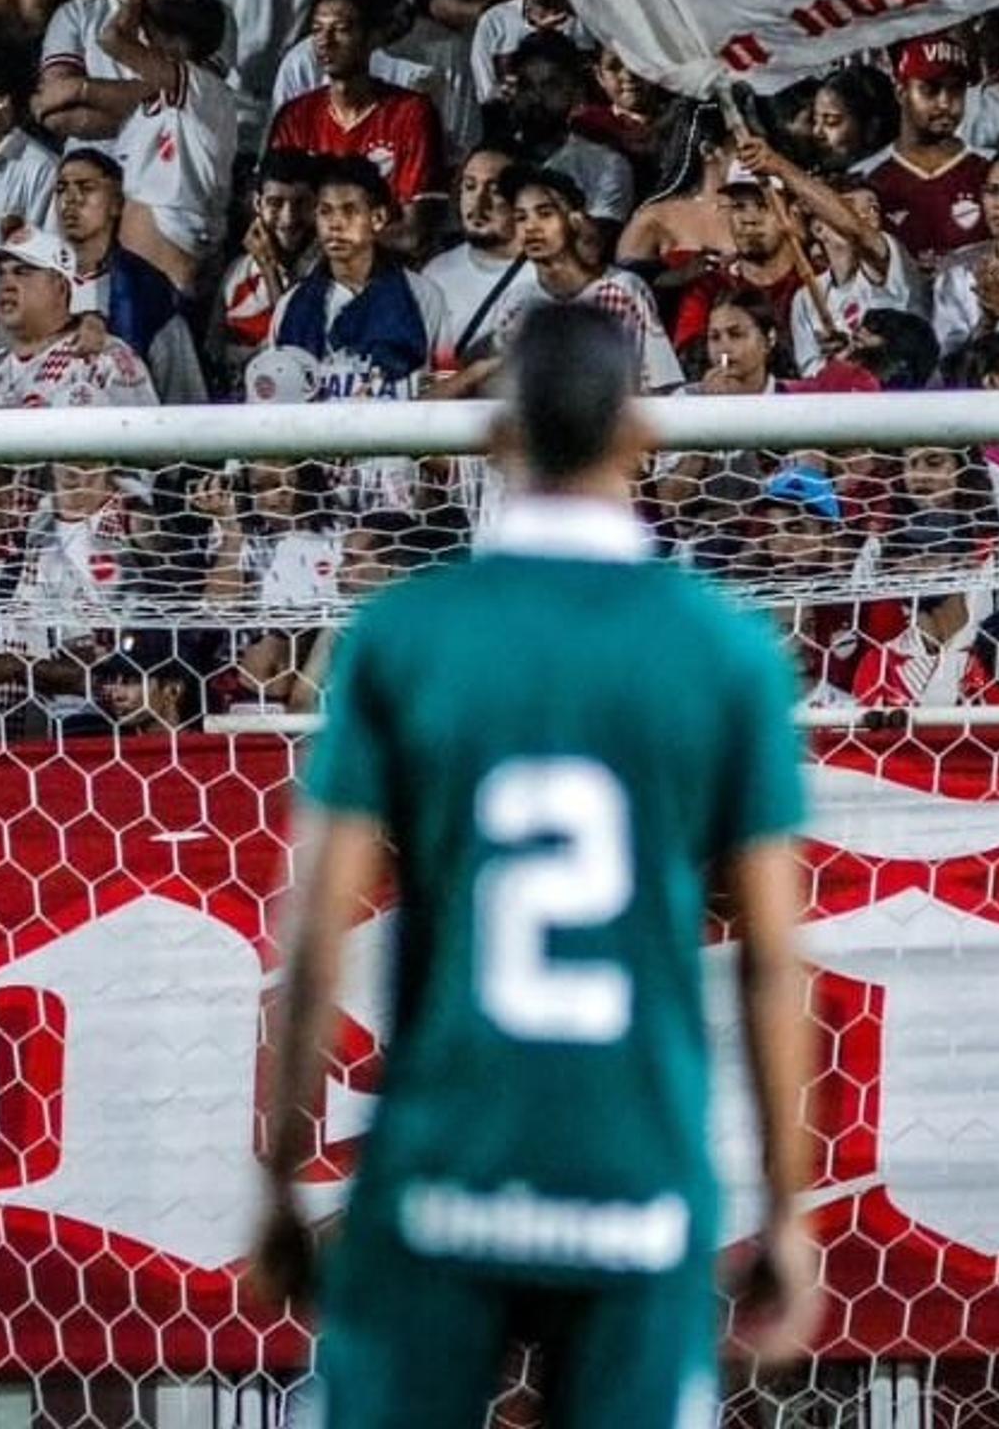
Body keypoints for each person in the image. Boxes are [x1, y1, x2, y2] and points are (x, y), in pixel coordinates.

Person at [249, 303, 822, 1429]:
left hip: (442, 1168)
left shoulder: (405, 636)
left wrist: (278, 1184)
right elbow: (769, 959)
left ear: (497, 440)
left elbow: (314, 934)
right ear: (639, 439)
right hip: (635, 1172)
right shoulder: (726, 651)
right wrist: (789, 1213)